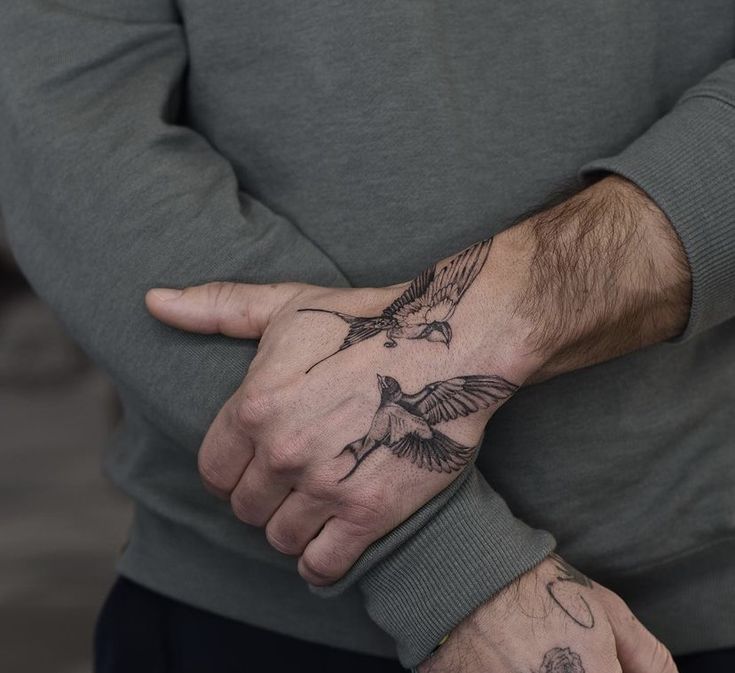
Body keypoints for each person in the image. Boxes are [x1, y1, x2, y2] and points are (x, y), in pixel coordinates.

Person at [1, 1, 733, 671]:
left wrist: (512, 305)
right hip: (256, 613)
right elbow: (61, 117)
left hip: (682, 604)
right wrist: (446, 563)